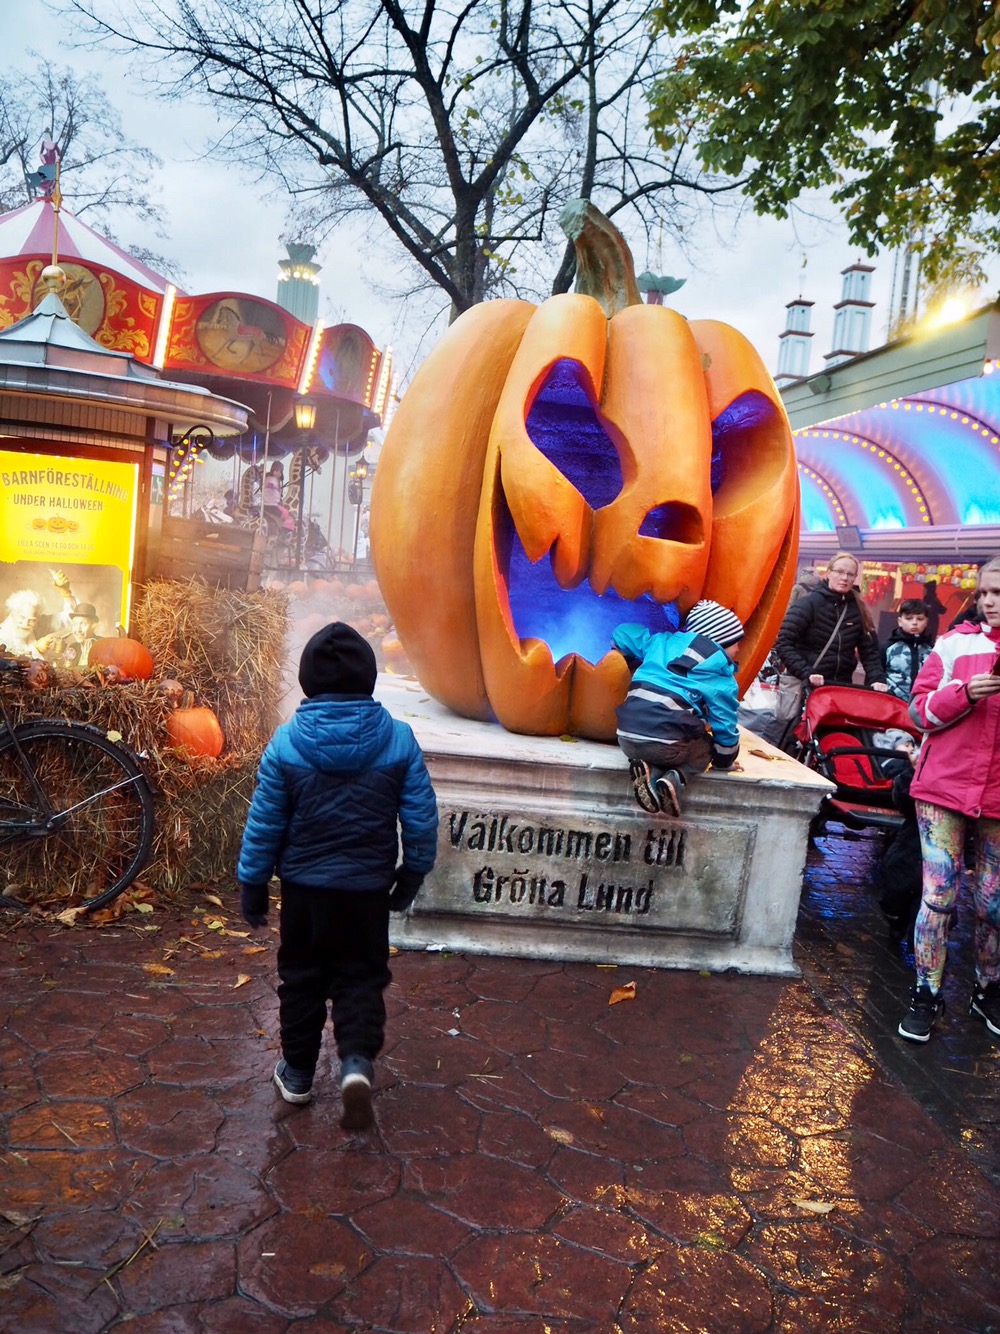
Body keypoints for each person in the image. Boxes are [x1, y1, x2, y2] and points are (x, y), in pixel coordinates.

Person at [237, 621, 439, 1128]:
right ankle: (355, 1064)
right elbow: (421, 820)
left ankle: (298, 1075)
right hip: (367, 892)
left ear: (307, 680)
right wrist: (411, 875)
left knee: (302, 980)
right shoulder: (399, 739)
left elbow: (264, 822)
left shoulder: (287, 743)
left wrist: (253, 883)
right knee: (361, 978)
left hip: (305, 894)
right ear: (369, 677)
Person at [896, 554, 1000, 1043]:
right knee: (938, 896)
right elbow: (918, 713)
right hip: (943, 787)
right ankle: (926, 992)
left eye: (999, 593)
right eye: (985, 593)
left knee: (994, 903)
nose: (990, 602)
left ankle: (988, 988)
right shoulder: (955, 644)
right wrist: (964, 693)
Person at [613, 600, 744, 818]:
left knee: (664, 737)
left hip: (626, 737)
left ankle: (651, 773)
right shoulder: (720, 676)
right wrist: (724, 760)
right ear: (719, 641)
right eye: (735, 642)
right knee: (704, 747)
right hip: (665, 745)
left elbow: (622, 633)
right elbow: (725, 725)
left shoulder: (660, 642)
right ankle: (675, 779)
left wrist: (623, 656)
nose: (739, 648)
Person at [774, 550, 889, 700]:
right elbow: (783, 642)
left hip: (840, 689)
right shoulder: (808, 604)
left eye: (850, 574)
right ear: (828, 573)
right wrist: (806, 672)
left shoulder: (858, 609)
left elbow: (870, 652)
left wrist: (877, 679)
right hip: (806, 688)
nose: (844, 578)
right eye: (839, 572)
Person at [882, 598, 934, 701]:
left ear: (926, 622)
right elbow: (877, 676)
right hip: (891, 701)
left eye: (920, 619)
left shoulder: (932, 650)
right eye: (909, 618)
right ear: (900, 621)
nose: (914, 623)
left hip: (921, 704)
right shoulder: (888, 647)